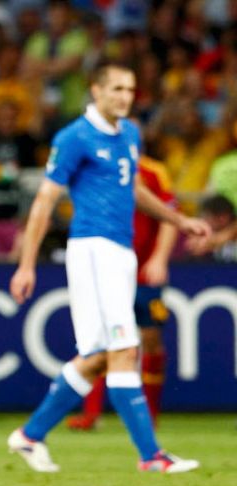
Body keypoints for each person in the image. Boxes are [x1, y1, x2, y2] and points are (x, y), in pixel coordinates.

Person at [7, 63, 209, 474]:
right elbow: (45, 201)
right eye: (116, 88)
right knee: (124, 348)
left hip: (121, 252)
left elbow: (133, 188)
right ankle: (151, 455)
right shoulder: (75, 137)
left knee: (98, 357)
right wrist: (26, 264)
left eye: (130, 88)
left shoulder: (130, 134)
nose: (124, 96)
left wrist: (178, 220)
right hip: (93, 249)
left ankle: (29, 436)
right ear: (95, 91)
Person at [67, 154, 178, 430]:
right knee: (101, 341)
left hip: (143, 273)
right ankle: (91, 414)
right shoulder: (95, 165)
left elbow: (167, 216)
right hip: (109, 270)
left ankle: (151, 417)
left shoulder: (154, 171)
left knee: (150, 339)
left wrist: (160, 258)